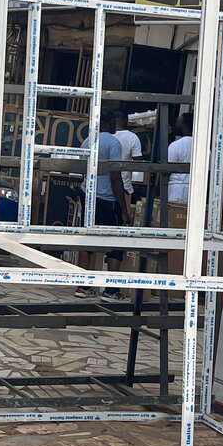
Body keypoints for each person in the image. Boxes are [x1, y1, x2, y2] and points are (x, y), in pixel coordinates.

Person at [75, 108, 131, 304]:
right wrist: (124, 210)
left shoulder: (88, 140)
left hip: (87, 194)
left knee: (88, 238)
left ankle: (82, 286)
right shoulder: (113, 143)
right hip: (106, 198)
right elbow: (115, 177)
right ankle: (111, 290)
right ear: (110, 122)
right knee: (116, 242)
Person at [113, 109, 144, 217]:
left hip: (104, 186)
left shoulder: (105, 136)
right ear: (125, 120)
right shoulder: (132, 137)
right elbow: (138, 162)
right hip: (124, 187)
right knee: (122, 219)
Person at [168, 112, 193, 206]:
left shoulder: (176, 145)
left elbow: (166, 170)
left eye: (178, 122)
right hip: (196, 191)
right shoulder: (205, 148)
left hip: (176, 191)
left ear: (184, 124)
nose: (175, 124)